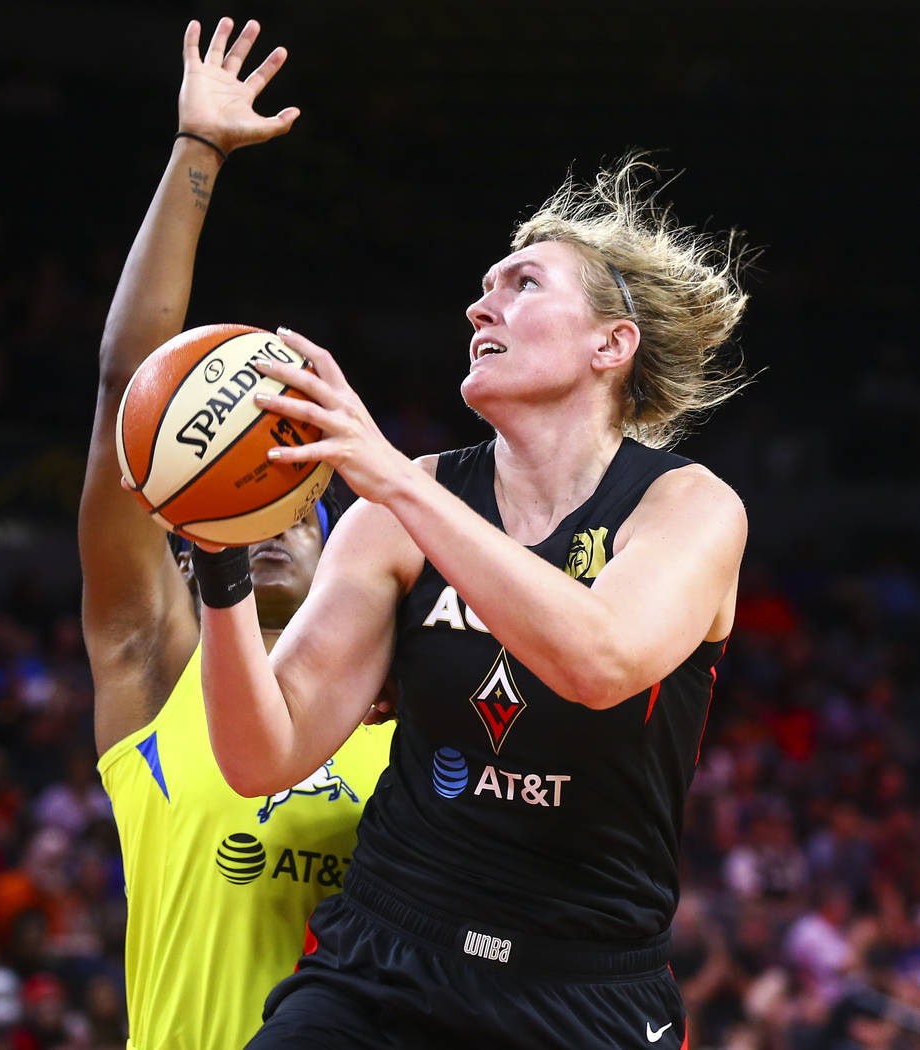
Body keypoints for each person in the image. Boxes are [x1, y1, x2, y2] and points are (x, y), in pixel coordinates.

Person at [188, 17, 750, 1049]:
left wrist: (394, 485)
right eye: (483, 286)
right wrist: (219, 567)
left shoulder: (686, 506)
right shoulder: (396, 511)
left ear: (609, 345)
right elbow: (261, 755)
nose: (476, 304)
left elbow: (600, 660)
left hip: (584, 989)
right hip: (383, 963)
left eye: (520, 283)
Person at [76, 18, 393, 1050]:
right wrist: (197, 151)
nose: (271, 526)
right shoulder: (155, 672)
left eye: (295, 506)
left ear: (338, 545)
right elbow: (133, 389)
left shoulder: (410, 728)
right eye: (242, 510)